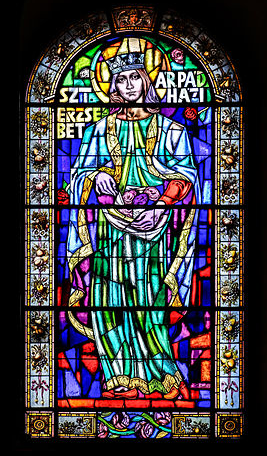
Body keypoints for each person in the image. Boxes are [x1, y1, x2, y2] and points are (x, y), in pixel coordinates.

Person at [67, 37, 201, 400]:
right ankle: (120, 376)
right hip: (111, 228)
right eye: (121, 81)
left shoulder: (172, 130)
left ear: (146, 81)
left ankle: (161, 373)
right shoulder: (98, 130)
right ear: (113, 87)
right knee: (110, 300)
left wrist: (159, 199)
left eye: (135, 79)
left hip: (155, 229)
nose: (129, 86)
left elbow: (187, 178)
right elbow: (80, 176)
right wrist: (97, 177)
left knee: (150, 300)